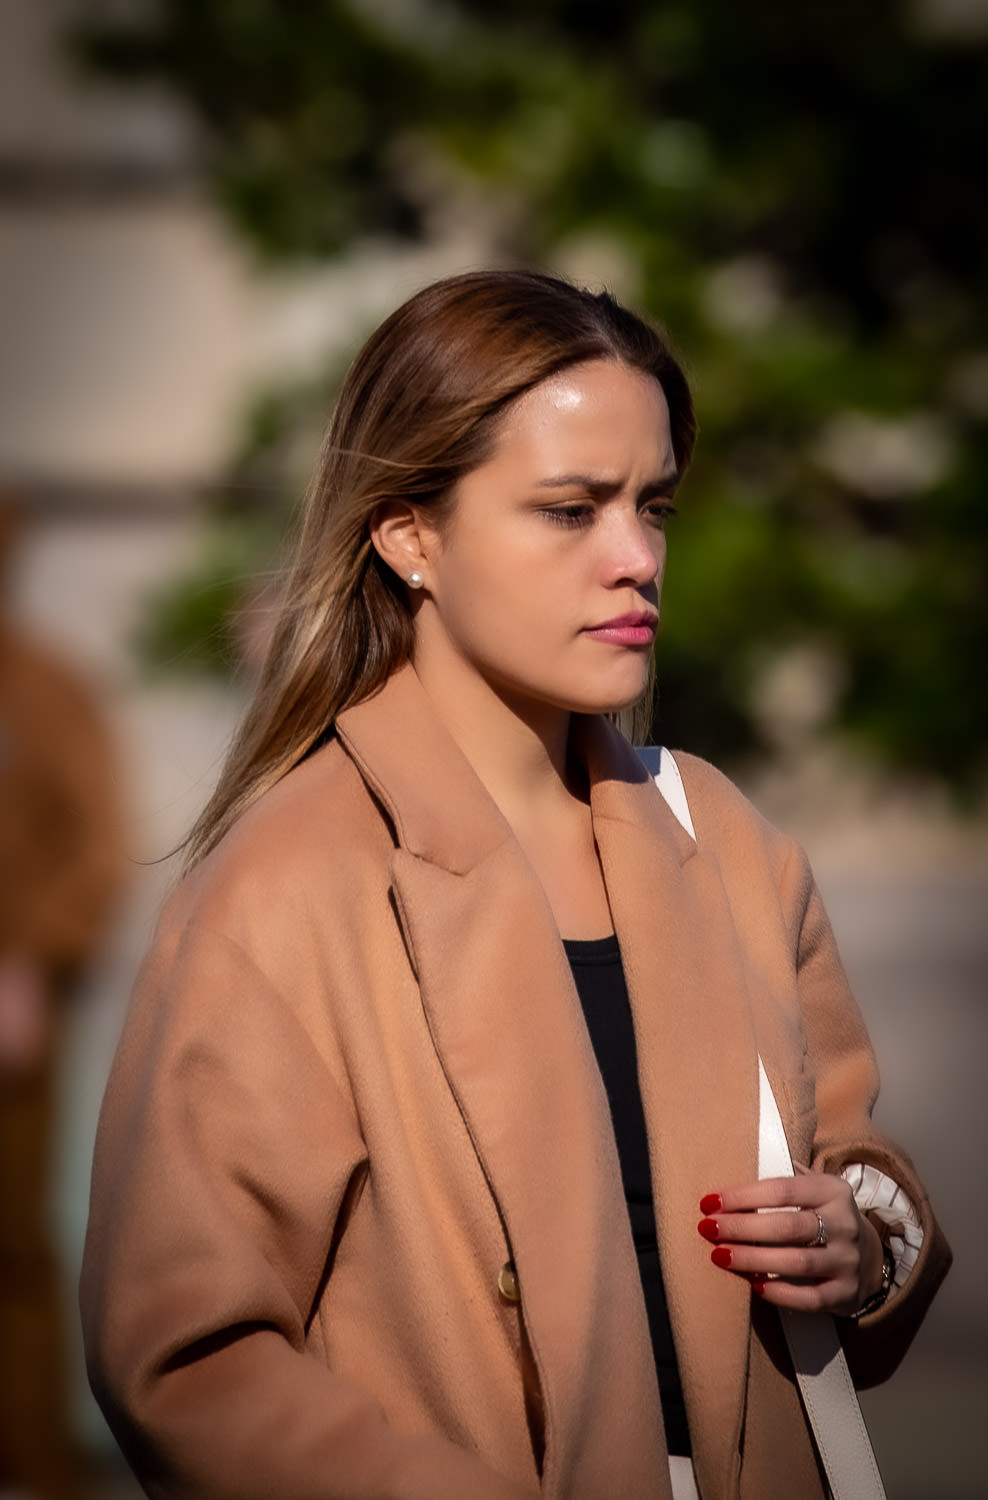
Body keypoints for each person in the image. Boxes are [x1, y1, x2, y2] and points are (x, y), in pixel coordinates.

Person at [80, 271, 950, 1500]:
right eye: (569, 509)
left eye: (654, 506)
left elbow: (853, 1154)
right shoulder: (288, 886)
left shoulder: (724, 840)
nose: (635, 559)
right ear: (409, 537)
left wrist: (856, 1243)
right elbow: (185, 1357)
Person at [0, 497, 124, 1498]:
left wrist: (30, 963)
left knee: (10, 1247)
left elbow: (98, 845)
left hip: (9, 1018)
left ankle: (35, 1464)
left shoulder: (43, 689)